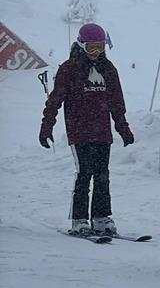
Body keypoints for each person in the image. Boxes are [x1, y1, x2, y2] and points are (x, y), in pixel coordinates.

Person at [39, 23, 134, 237]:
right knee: (84, 174)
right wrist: (47, 127)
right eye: (91, 48)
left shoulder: (108, 69)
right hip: (79, 131)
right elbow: (55, 100)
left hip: (102, 132)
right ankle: (79, 219)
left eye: (100, 47)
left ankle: (101, 218)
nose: (96, 53)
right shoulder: (69, 68)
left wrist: (123, 128)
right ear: (82, 45)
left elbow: (116, 102)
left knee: (102, 175)